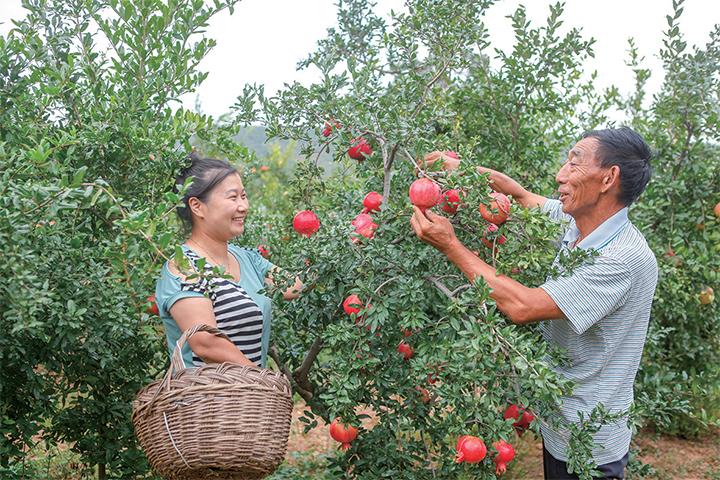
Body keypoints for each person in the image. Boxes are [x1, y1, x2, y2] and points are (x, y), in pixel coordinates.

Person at [410, 127, 658, 480]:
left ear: (608, 178)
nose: (560, 175)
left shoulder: (622, 257)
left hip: (589, 440)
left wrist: (451, 246)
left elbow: (522, 305)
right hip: (559, 419)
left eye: (574, 163)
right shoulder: (578, 223)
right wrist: (459, 169)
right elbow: (520, 196)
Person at [155, 154, 302, 369]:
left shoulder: (247, 259)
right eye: (233, 197)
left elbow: (293, 287)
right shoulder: (183, 267)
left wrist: (330, 257)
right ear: (197, 206)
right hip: (206, 399)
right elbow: (206, 343)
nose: (243, 206)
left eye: (244, 196)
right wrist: (259, 379)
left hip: (250, 399)